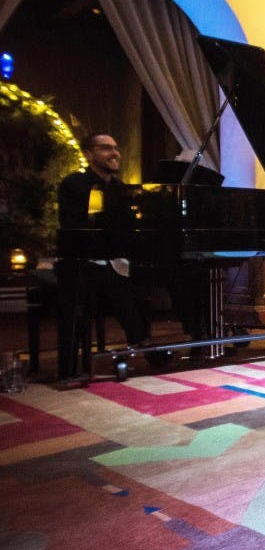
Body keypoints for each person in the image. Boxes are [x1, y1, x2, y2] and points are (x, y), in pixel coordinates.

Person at [56, 132, 156, 381]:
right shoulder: (74, 184)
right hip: (84, 261)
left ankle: (152, 341)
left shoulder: (121, 188)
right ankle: (144, 343)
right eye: (105, 148)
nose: (114, 153)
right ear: (88, 154)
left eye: (115, 147)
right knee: (117, 284)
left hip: (114, 259)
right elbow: (73, 227)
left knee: (148, 277)